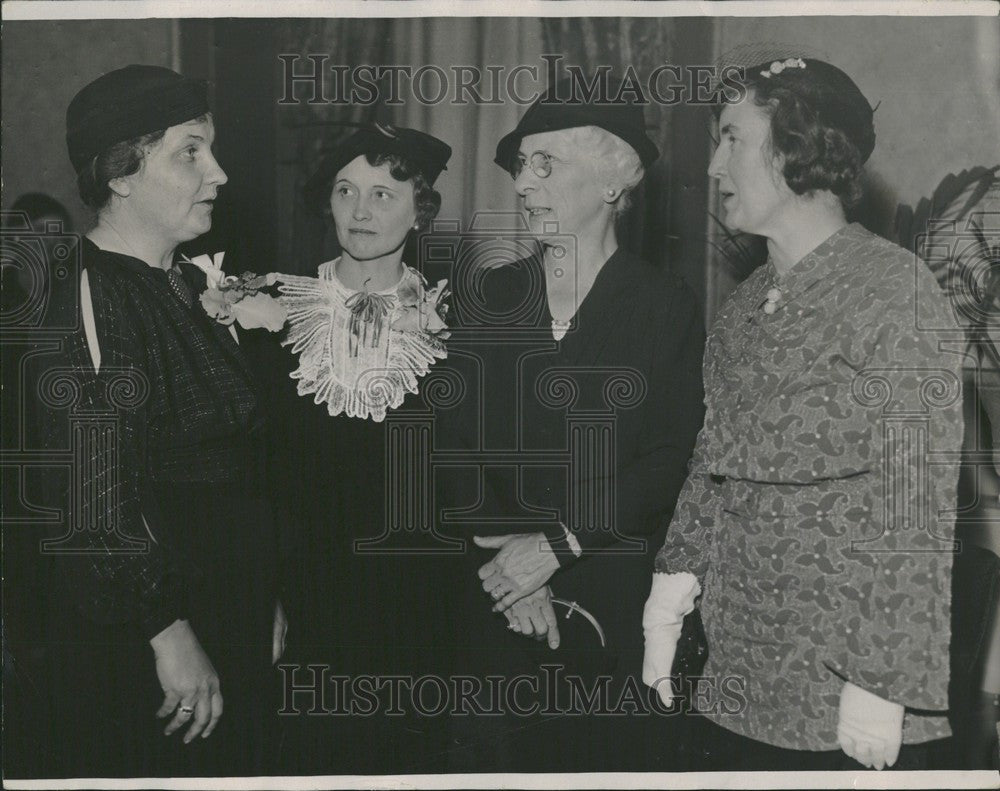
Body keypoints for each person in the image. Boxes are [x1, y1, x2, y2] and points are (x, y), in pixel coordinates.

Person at [643, 56, 964, 771]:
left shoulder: (893, 290)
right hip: (737, 675)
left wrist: (882, 678)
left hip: (844, 696)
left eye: (732, 138)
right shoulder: (742, 306)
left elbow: (915, 497)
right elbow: (711, 462)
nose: (716, 166)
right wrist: (670, 590)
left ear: (796, 146)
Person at [437, 78, 706, 771]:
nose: (525, 184)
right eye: (521, 166)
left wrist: (556, 544)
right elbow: (451, 441)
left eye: (546, 164)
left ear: (615, 182)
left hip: (611, 598)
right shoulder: (494, 294)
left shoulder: (664, 305)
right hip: (497, 597)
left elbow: (667, 460)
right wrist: (511, 563)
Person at [36, 65, 284, 777]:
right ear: (120, 171)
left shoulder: (179, 282)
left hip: (221, 604)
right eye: (190, 151)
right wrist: (167, 632)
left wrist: (260, 596)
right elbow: (93, 491)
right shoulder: (92, 289)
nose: (219, 173)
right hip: (151, 633)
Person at [256, 123, 452, 774]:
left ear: (420, 208)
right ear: (327, 202)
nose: (361, 211)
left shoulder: (455, 327)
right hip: (307, 603)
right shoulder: (272, 316)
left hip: (420, 613)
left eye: (384, 193)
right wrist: (267, 594)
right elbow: (256, 475)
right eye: (346, 191)